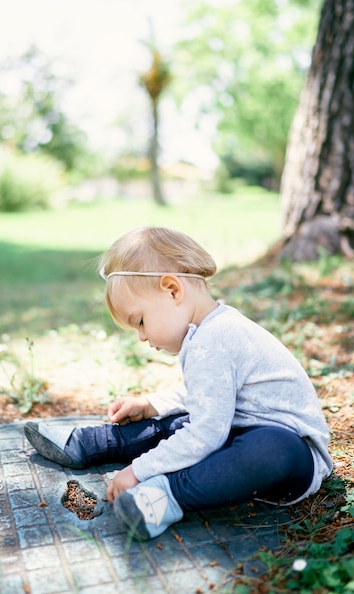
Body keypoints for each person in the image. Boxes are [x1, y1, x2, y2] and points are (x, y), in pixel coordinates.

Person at [24, 226, 333, 542]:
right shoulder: (209, 329)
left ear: (172, 290)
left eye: (140, 321)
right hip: (238, 431)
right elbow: (209, 396)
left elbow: (207, 432)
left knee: (262, 448)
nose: (142, 336)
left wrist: (138, 471)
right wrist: (151, 404)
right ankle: (93, 443)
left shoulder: (215, 338)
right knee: (175, 424)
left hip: (293, 457)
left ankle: (166, 496)